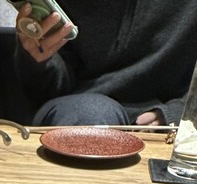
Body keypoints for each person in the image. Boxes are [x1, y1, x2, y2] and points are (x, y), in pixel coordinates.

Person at [13, 2, 197, 126]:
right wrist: (38, 59)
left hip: (171, 120)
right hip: (79, 111)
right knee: (91, 116)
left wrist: (178, 113)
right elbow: (48, 90)